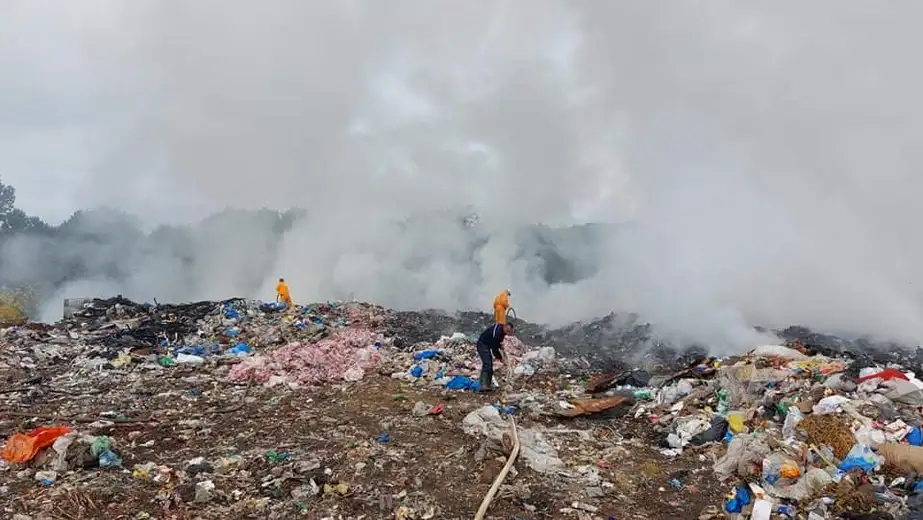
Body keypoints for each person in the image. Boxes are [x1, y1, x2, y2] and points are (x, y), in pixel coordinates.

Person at [476, 322, 513, 392]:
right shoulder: (496, 334)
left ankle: (487, 384)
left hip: (488, 344)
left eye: (509, 331)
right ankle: (483, 385)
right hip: (482, 344)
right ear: (504, 327)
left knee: (488, 365)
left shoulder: (502, 330)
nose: (508, 332)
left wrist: (500, 345)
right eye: (507, 330)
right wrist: (500, 358)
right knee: (487, 364)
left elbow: (497, 343)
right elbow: (494, 349)